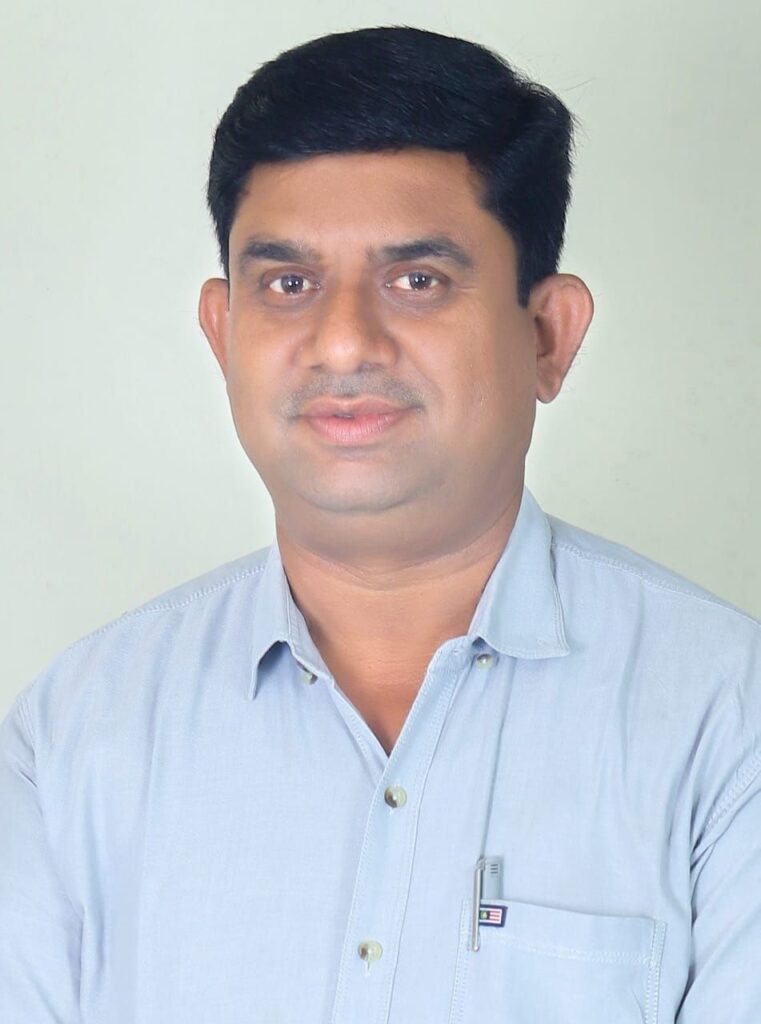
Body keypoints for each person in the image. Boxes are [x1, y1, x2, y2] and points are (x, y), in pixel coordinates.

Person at [1, 23, 759, 1024]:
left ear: (546, 335)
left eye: (416, 281)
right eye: (288, 284)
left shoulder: (725, 718)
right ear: (223, 333)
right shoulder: (74, 735)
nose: (343, 341)